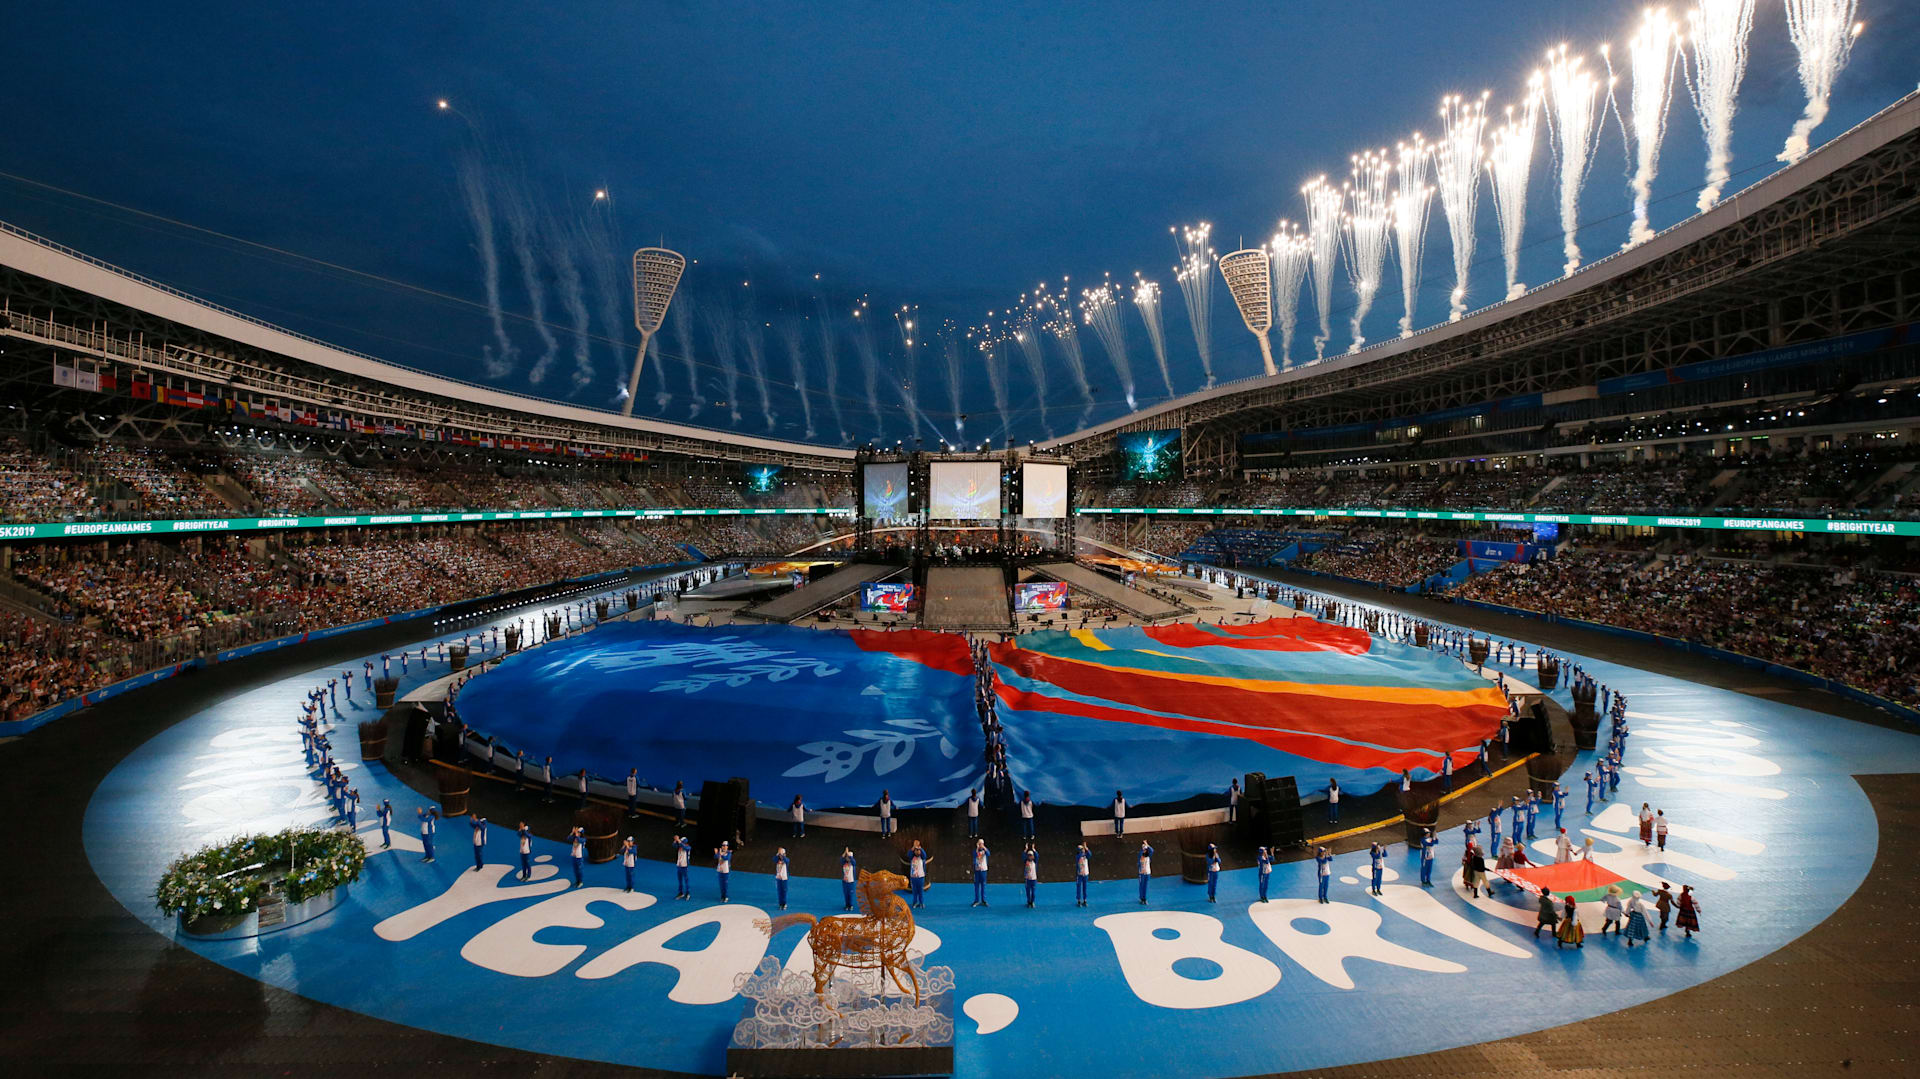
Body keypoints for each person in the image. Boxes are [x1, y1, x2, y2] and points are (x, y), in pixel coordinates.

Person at [907, 840, 928, 908]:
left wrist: (920, 848)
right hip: (913, 877)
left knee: (920, 891)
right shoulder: (912, 857)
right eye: (916, 850)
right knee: (915, 892)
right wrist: (913, 847)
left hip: (920, 877)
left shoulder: (922, 858)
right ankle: (915, 903)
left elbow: (925, 855)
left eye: (918, 850)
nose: (917, 851)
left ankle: (921, 903)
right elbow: (909, 854)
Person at [971, 840, 990, 907]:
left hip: (983, 870)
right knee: (976, 885)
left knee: (983, 885)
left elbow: (988, 854)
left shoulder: (985, 850)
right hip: (977, 870)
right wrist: (977, 848)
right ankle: (976, 900)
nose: (980, 845)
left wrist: (984, 848)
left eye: (982, 843)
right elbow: (974, 855)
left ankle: (983, 900)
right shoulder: (975, 851)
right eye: (979, 843)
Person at [1023, 843, 1039, 908]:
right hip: (1028, 879)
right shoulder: (1026, 861)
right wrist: (1026, 849)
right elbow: (1023, 856)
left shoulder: (1035, 862)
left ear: (1033, 856)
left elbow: (1037, 856)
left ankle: (1032, 902)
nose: (1030, 857)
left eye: (1031, 855)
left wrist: (1033, 849)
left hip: (1034, 879)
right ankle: (1028, 902)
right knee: (1027, 892)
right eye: (1029, 855)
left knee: (1033, 892)